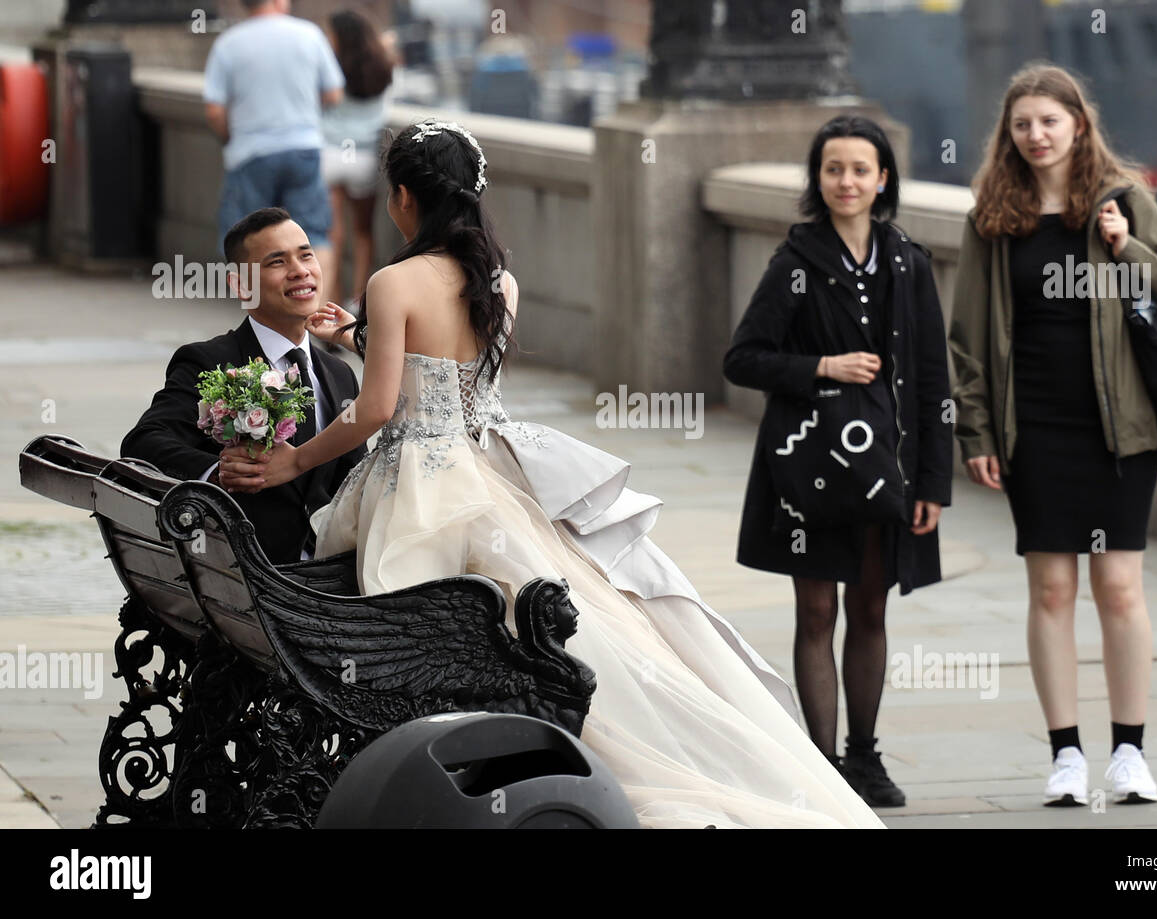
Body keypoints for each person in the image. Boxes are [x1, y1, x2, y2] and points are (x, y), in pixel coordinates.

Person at [215, 119, 883, 828]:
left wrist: (294, 456)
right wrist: (354, 332)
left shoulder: (393, 280)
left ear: (404, 197)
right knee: (580, 621)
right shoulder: (499, 281)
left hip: (424, 480)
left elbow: (380, 406)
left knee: (434, 619)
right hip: (493, 466)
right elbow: (447, 367)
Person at [947, 64, 1157, 806]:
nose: (1035, 136)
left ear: (1078, 125)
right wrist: (976, 431)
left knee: (1119, 586)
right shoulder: (990, 218)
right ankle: (1066, 755)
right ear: (1009, 133)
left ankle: (1130, 750)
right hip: (1036, 427)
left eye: (1049, 122)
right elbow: (966, 338)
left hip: (1121, 426)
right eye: (1022, 124)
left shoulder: (1124, 201)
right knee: (1052, 587)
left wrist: (1130, 250)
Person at [723, 115, 953, 807]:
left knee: (872, 608)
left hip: (889, 468)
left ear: (884, 179)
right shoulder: (794, 264)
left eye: (860, 169)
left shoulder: (909, 264)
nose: (846, 181)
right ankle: (821, 765)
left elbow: (935, 381)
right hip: (810, 474)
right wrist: (823, 365)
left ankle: (865, 757)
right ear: (816, 179)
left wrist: (934, 482)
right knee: (817, 611)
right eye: (833, 169)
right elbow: (743, 360)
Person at [122, 208, 367, 565]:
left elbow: (356, 481)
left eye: (306, 254)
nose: (300, 270)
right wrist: (218, 473)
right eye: (277, 262)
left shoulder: (339, 373)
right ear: (240, 285)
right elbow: (143, 442)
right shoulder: (209, 362)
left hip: (328, 576)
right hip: (244, 575)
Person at [203, 0, 344, 293]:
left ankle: (263, 313)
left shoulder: (228, 44)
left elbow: (214, 111)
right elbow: (333, 93)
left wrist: (233, 137)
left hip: (250, 153)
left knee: (249, 238)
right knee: (315, 234)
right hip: (303, 148)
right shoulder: (309, 34)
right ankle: (316, 316)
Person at [321, 9, 394, 308]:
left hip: (329, 153)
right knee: (363, 232)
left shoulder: (329, 66)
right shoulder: (382, 67)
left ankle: (329, 303)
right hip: (363, 157)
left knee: (331, 236)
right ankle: (358, 301)